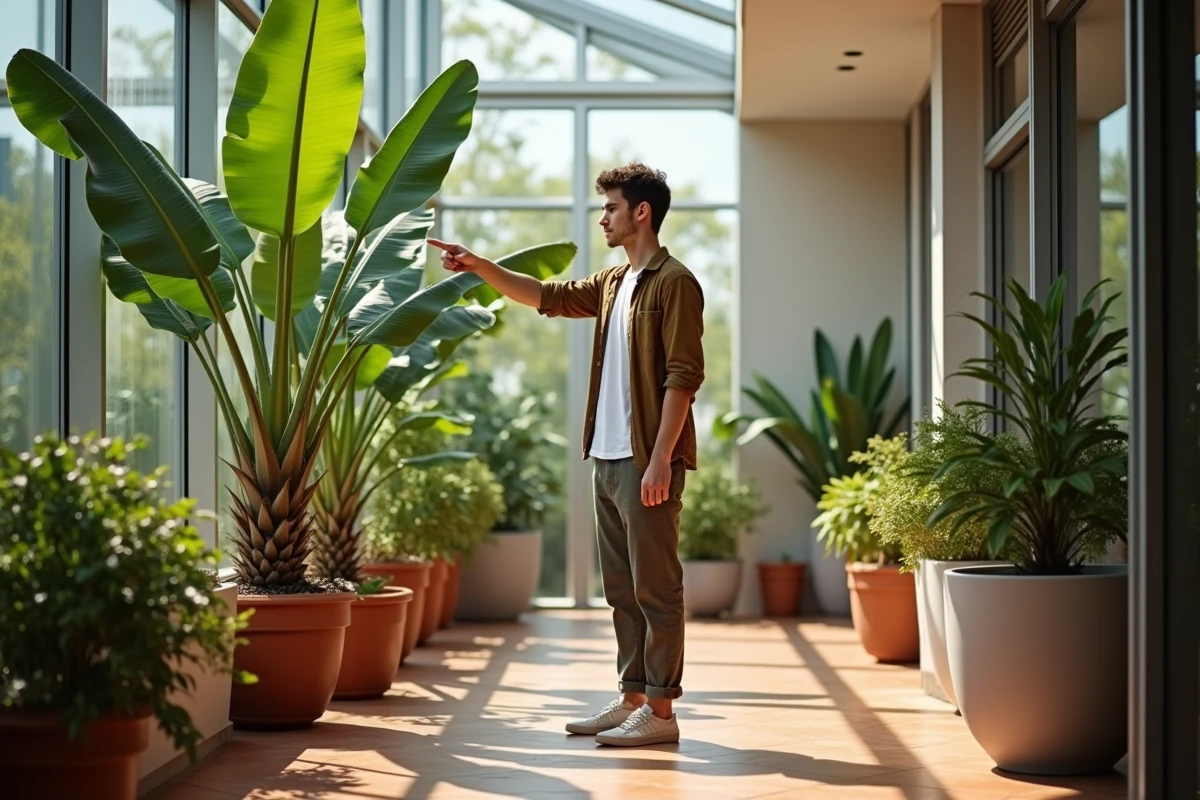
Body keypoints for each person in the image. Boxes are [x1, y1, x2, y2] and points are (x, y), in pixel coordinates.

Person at [428, 163, 705, 747]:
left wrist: (661, 459)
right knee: (622, 590)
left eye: (610, 207)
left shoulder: (674, 282)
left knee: (657, 589)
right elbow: (545, 296)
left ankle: (661, 713)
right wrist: (480, 266)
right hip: (606, 458)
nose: (603, 218)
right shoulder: (613, 282)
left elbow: (683, 376)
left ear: (641, 213)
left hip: (645, 460)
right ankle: (632, 698)